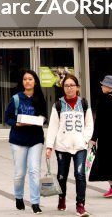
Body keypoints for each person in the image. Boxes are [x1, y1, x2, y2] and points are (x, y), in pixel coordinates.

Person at [45, 74, 93, 215]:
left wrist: (84, 140)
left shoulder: (84, 104)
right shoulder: (58, 105)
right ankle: (62, 198)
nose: (69, 88)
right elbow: (53, 127)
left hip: (80, 146)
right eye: (66, 86)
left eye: (72, 85)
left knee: (80, 175)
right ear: (63, 88)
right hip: (62, 146)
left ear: (77, 87)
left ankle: (80, 204)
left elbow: (89, 124)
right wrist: (49, 146)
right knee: (62, 175)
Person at [4, 70, 47, 213]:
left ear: (35, 81)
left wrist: (41, 120)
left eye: (30, 79)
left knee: (34, 170)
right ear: (22, 82)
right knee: (19, 173)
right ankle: (18, 197)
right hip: (18, 140)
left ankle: (35, 203)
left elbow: (45, 117)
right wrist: (17, 123)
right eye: (25, 79)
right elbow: (7, 118)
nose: (27, 81)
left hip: (36, 139)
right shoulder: (16, 98)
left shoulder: (40, 98)